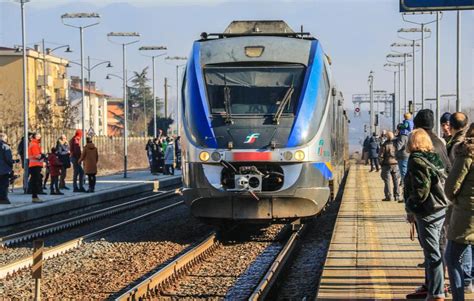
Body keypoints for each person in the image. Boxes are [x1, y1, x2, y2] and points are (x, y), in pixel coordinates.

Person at [404, 128, 449, 301]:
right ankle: (435, 289)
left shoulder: (416, 160)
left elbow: (421, 190)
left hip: (427, 211)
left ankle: (437, 293)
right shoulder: (434, 157)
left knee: (432, 254)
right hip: (440, 209)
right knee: (436, 250)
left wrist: (410, 207)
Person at [444, 123, 474, 301]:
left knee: (452, 257)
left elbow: (451, 186)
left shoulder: (467, 153)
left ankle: (458, 297)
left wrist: (455, 200)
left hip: (467, 212)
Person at [379, 131, 400, 201]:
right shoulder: (396, 144)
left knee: (387, 181)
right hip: (396, 164)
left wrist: (381, 163)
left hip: (387, 164)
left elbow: (381, 155)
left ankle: (388, 196)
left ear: (387, 137)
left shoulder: (384, 144)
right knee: (396, 180)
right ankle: (397, 196)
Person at [29, 133, 45, 203]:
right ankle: (35, 197)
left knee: (34, 180)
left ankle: (34, 196)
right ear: (36, 137)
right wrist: (43, 155)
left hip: (34, 165)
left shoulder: (32, 144)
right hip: (35, 165)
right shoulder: (35, 145)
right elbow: (37, 156)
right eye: (39, 137)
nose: (40, 138)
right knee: (35, 181)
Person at [0, 133, 14, 204]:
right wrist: (11, 166)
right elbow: (8, 159)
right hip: (3, 169)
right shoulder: (5, 146)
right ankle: (2, 199)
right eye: (6, 139)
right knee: (4, 184)